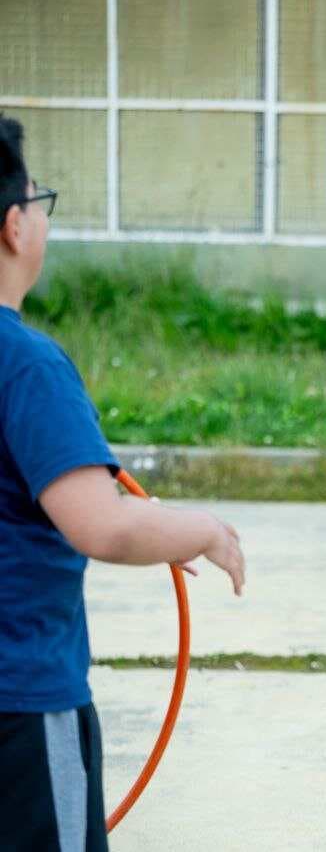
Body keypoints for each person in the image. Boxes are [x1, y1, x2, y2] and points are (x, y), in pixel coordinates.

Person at [0, 114, 246, 851]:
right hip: (19, 703)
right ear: (14, 224)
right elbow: (103, 524)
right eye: (39, 200)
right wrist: (200, 529)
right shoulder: (27, 366)